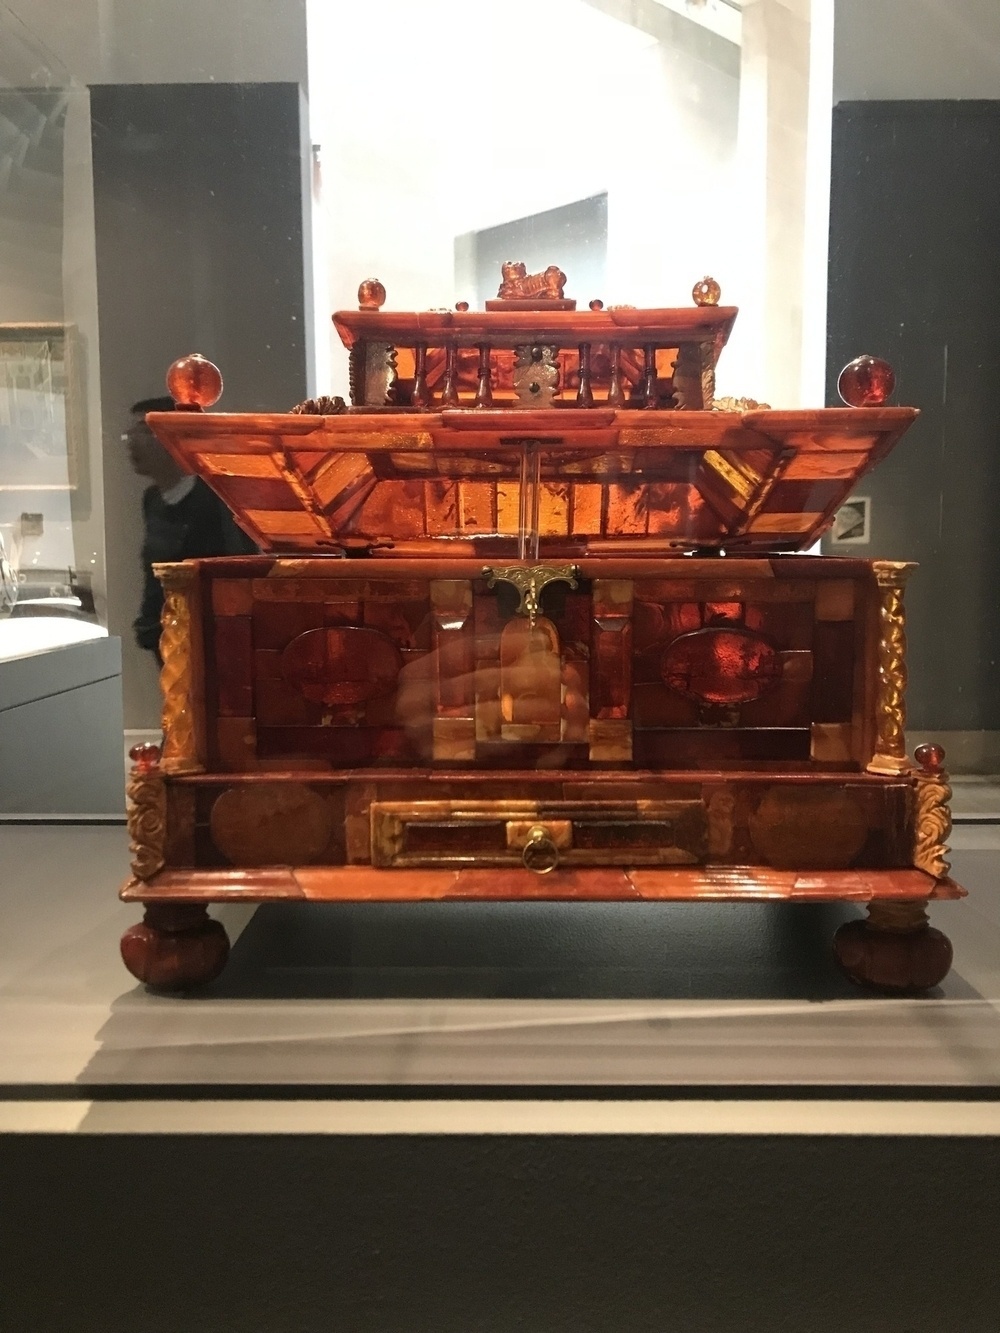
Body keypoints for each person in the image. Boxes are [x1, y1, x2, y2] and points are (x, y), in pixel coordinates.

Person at [124, 396, 257, 657]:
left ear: (173, 439)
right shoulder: (153, 499)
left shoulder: (217, 497)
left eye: (144, 431)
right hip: (168, 641)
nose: (131, 442)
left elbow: (238, 574)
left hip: (213, 646)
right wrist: (150, 625)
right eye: (131, 433)